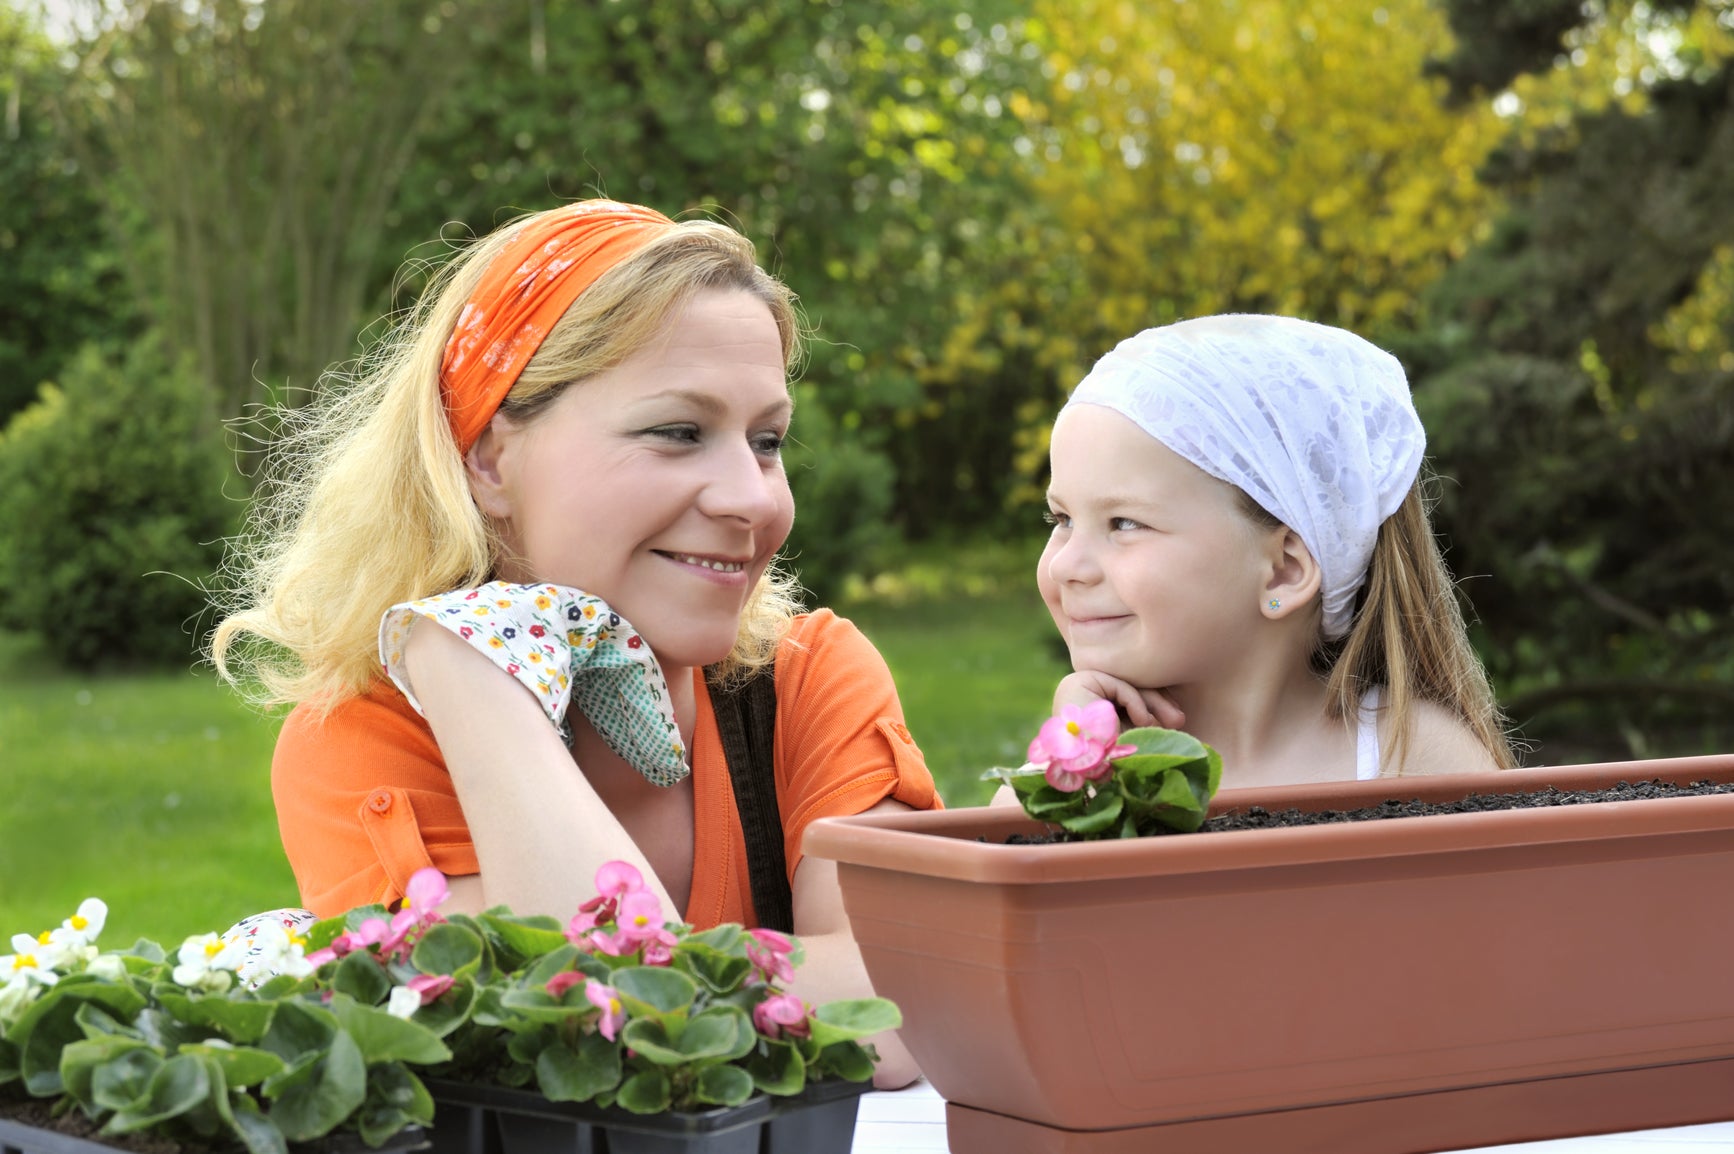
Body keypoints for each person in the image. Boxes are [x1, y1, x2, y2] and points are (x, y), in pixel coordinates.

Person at [211, 199, 935, 1085]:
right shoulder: (368, 739)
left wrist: (658, 977)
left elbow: (913, 1013)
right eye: (678, 432)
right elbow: (586, 1046)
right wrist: (466, 669)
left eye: (767, 440)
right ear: (486, 457)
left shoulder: (803, 680)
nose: (752, 498)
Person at [1036, 314, 1514, 788]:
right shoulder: (1058, 787)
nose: (1064, 566)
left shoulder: (1413, 759)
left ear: (1283, 569)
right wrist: (1089, 767)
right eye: (1062, 520)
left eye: (1124, 523)